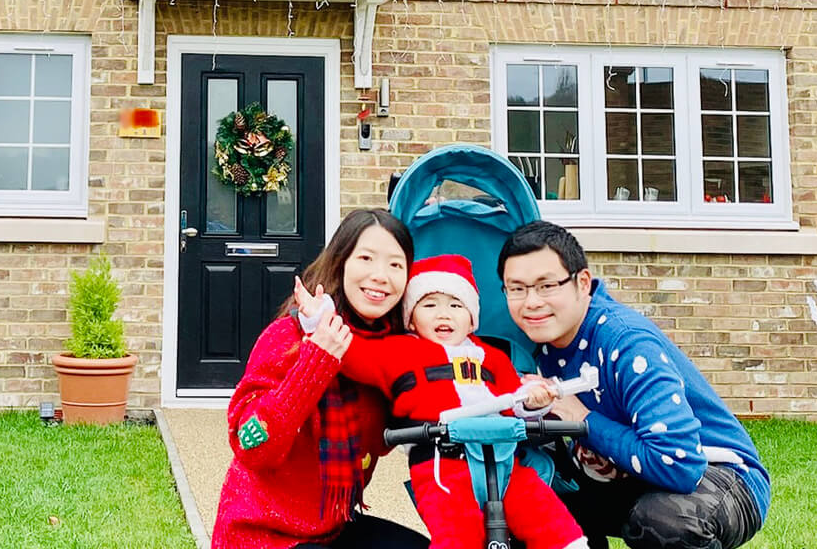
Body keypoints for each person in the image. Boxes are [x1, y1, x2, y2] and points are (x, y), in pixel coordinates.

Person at [499, 221, 769, 549]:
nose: (531, 303)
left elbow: (680, 466)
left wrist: (585, 421)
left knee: (664, 522)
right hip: (624, 477)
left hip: (717, 476)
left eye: (546, 286)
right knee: (520, 502)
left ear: (582, 283)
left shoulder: (626, 343)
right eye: (517, 288)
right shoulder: (533, 345)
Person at [295, 254, 588, 549]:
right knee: (457, 533)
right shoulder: (399, 352)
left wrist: (535, 401)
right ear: (411, 317)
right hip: (441, 464)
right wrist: (319, 318)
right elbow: (352, 354)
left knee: (548, 517)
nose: (444, 314)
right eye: (430, 305)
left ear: (471, 317)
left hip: (502, 460)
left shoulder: (493, 357)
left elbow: (515, 400)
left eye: (456, 305)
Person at [211, 208, 429, 549]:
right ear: (341, 263)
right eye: (366, 258)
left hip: (333, 529)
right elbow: (250, 445)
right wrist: (317, 361)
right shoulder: (289, 336)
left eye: (395, 264)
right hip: (260, 535)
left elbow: (385, 440)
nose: (380, 276)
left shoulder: (389, 351)